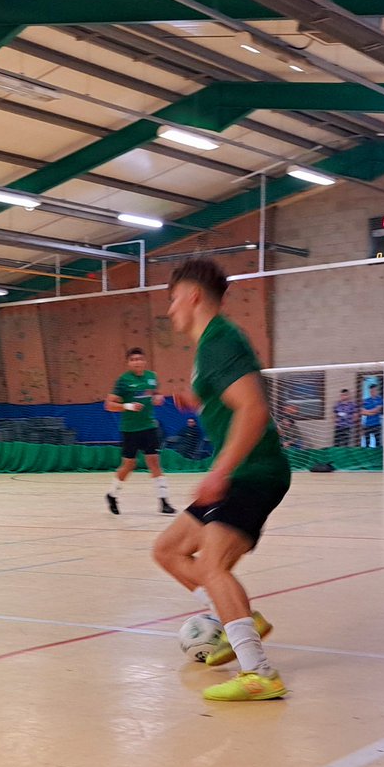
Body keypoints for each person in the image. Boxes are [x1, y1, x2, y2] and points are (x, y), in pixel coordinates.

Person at [151, 259, 290, 702]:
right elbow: (231, 398)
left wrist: (220, 471)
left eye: (173, 299)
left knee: (211, 565)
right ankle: (241, 618)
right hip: (241, 472)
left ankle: (259, 673)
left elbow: (253, 409)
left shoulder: (220, 341)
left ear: (192, 296)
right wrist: (199, 399)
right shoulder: (209, 345)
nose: (170, 309)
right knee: (168, 551)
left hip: (253, 471)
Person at [104, 346, 176, 515]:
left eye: (140, 359)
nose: (137, 362)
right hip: (130, 430)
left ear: (144, 361)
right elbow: (109, 405)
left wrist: (158, 398)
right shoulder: (123, 380)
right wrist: (128, 406)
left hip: (149, 427)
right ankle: (112, 495)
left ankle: (164, 501)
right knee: (129, 465)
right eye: (133, 360)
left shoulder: (152, 377)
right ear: (128, 363)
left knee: (154, 462)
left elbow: (155, 394)